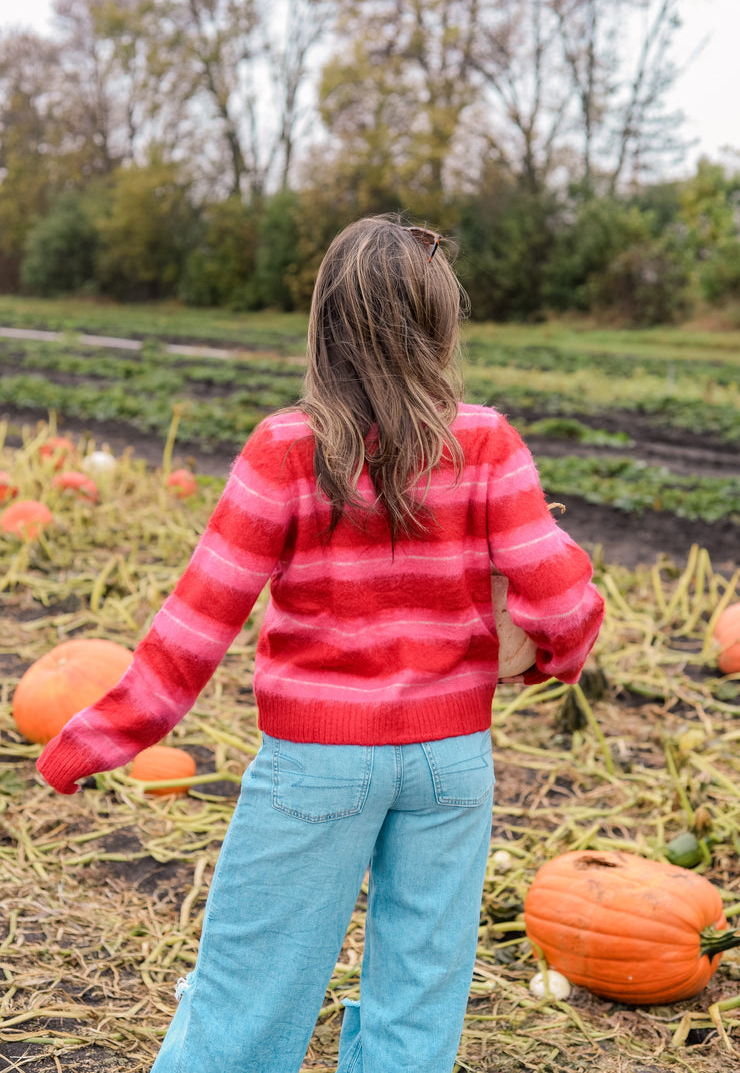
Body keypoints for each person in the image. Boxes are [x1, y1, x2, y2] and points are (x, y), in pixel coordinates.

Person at [38, 215, 604, 1073]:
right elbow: (563, 600)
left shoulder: (286, 450)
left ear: (324, 326)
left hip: (318, 762)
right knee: (418, 1004)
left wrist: (91, 741)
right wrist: (551, 658)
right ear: (442, 326)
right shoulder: (486, 442)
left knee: (248, 994)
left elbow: (194, 627)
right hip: (452, 762)